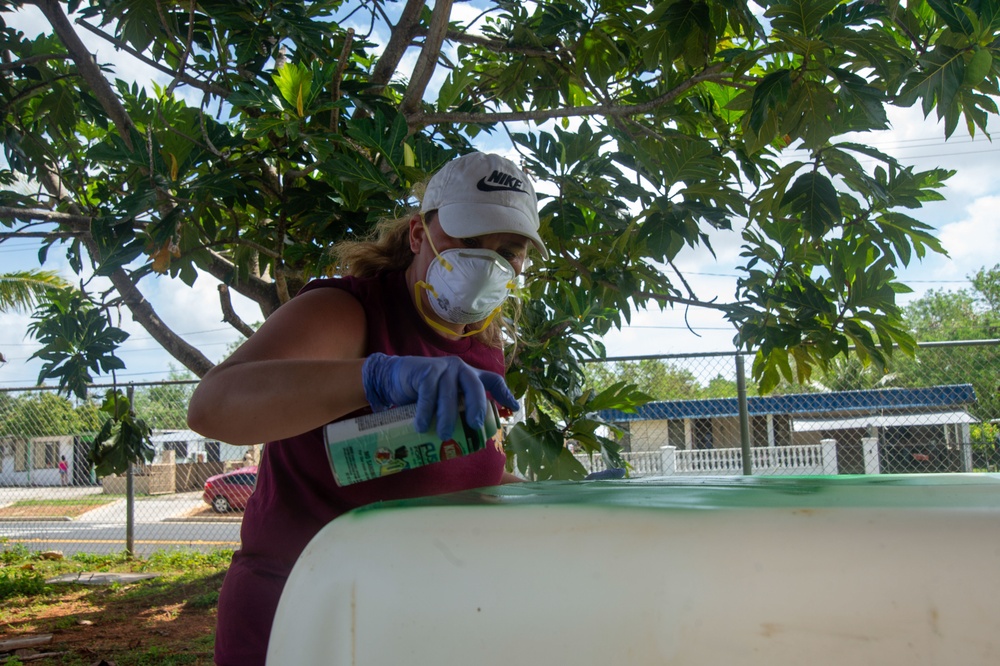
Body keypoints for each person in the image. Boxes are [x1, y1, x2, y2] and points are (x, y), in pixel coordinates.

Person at [186, 151, 547, 666]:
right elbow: (212, 408)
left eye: (508, 250)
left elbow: (451, 471)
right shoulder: (347, 310)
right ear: (420, 235)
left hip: (414, 618)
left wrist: (552, 498)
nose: (486, 263)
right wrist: (375, 374)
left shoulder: (484, 347)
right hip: (304, 612)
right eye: (466, 240)